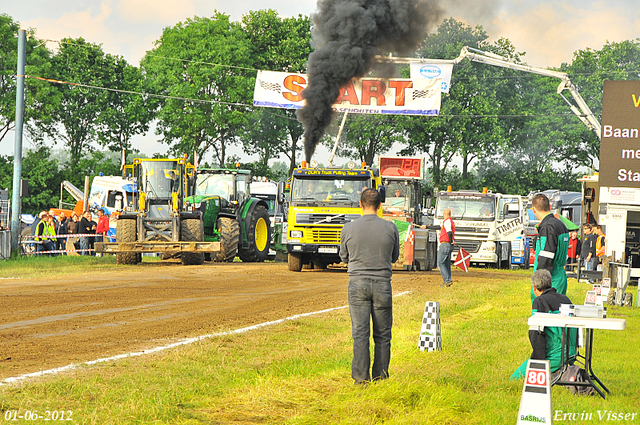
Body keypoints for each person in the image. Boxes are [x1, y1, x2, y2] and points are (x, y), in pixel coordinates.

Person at [340, 189, 400, 384]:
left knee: (360, 333)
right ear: (380, 205)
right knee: (383, 334)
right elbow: (394, 257)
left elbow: (343, 257)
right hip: (382, 284)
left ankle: (360, 379)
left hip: (357, 284)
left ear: (360, 204)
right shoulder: (391, 228)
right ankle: (380, 376)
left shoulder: (348, 229)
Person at [511, 270, 576, 379]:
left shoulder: (540, 301)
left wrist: (537, 361)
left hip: (556, 354)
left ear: (534, 287)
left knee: (516, 378)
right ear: (551, 283)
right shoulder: (566, 299)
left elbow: (536, 334)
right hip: (572, 352)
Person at [530, 194, 569, 302]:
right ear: (550, 207)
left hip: (549, 279)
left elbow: (546, 256)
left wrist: (539, 284)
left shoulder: (547, 227)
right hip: (560, 275)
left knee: (543, 314)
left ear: (533, 209)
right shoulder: (561, 225)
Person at [437, 208, 455, 287]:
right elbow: (438, 227)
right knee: (447, 264)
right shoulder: (450, 221)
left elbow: (449, 232)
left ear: (445, 214)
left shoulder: (447, 221)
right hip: (449, 245)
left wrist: (450, 240)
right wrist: (426, 226)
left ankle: (447, 280)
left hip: (445, 244)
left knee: (440, 263)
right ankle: (448, 281)